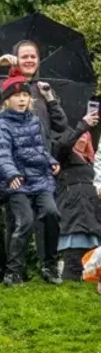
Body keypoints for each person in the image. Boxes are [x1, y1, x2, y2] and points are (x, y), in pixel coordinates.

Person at [0, 70, 63, 286]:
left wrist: (51, 160)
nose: (21, 99)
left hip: (40, 178)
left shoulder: (34, 121)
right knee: (25, 221)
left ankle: (49, 265)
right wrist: (11, 173)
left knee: (52, 213)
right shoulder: (2, 124)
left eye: (25, 95)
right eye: (16, 96)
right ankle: (14, 271)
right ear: (7, 101)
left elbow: (39, 148)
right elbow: (2, 152)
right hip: (17, 180)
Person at [56, 105, 101, 281]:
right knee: (74, 262)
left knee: (91, 264)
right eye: (79, 138)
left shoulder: (92, 163)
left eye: (85, 137)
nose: (82, 140)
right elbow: (63, 145)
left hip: (92, 217)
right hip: (74, 215)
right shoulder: (65, 158)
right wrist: (82, 125)